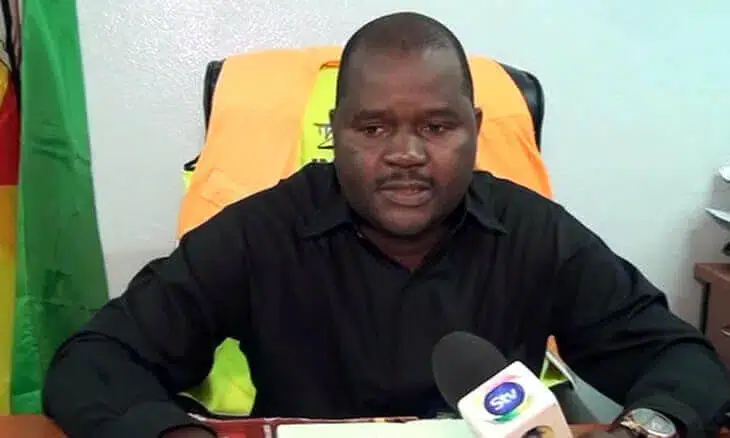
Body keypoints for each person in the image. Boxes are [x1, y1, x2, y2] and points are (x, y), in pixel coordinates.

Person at [43, 11, 730, 438]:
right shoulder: (261, 232)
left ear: (474, 129)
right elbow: (94, 364)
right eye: (373, 128)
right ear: (336, 132)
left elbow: (682, 361)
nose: (405, 154)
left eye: (436, 127)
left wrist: (646, 428)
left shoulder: (533, 232)